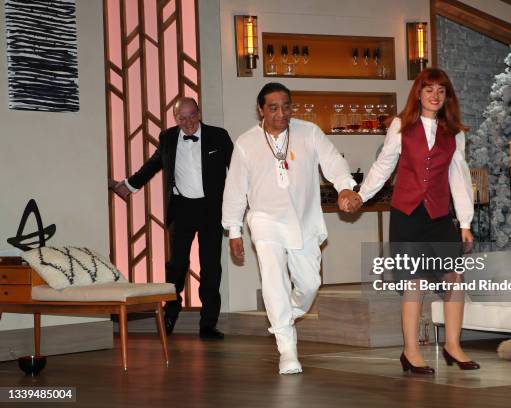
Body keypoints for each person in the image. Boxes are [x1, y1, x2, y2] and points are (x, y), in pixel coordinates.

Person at [343, 68, 480, 373]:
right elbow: (383, 166)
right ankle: (410, 352)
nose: (434, 95)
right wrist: (361, 195)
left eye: (441, 91)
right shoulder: (401, 125)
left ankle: (453, 346)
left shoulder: (454, 133)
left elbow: (459, 177)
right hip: (407, 214)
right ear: (418, 93)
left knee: (453, 279)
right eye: (429, 89)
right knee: (414, 282)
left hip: (440, 216)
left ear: (447, 97)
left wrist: (466, 222)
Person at [222, 82, 357, 374]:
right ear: (260, 110)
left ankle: (286, 316)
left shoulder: (309, 132)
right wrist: (234, 230)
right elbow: (234, 190)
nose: (281, 113)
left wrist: (345, 187)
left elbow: (333, 161)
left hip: (304, 220)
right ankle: (287, 349)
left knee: (310, 284)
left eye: (286, 106)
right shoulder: (246, 143)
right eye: (273, 108)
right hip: (264, 220)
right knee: (273, 279)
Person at [109, 97, 233, 340]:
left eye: (191, 115)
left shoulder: (219, 136)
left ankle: (208, 324)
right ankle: (170, 315)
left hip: (211, 209)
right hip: (181, 209)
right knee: (175, 266)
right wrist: (126, 186)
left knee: (210, 268)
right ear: (175, 118)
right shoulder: (167, 138)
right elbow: (152, 165)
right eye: (181, 117)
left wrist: (248, 198)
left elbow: (238, 169)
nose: (187, 122)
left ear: (199, 112)